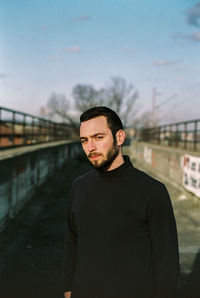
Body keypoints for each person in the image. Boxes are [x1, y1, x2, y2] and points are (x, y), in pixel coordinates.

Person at [63, 106, 179, 298]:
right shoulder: (79, 187)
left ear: (119, 138)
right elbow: (71, 242)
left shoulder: (152, 191)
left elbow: (167, 261)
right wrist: (68, 291)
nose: (90, 147)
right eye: (85, 140)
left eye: (99, 137)